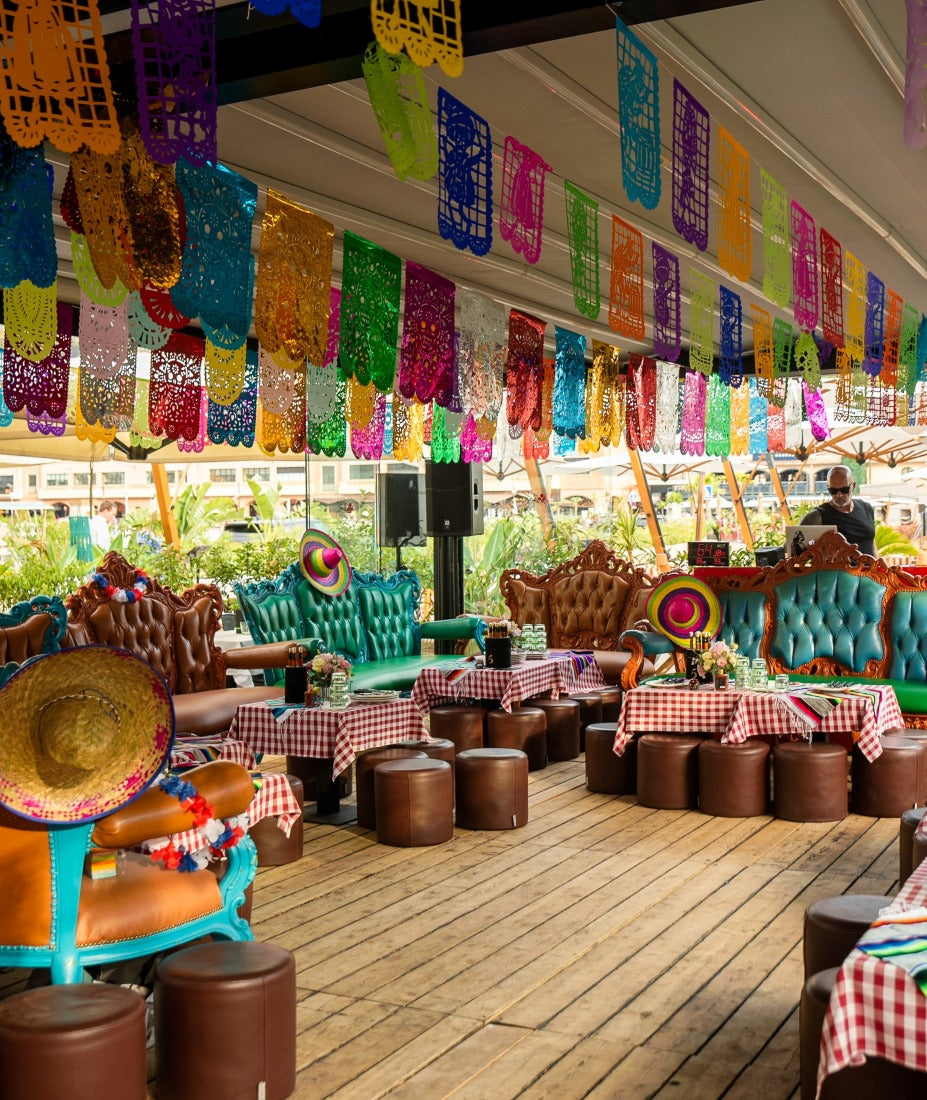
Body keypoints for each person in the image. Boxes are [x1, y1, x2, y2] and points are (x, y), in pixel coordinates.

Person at [801, 465, 875, 556]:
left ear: (853, 486)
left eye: (844, 490)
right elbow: (796, 549)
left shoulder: (866, 508)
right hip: (838, 570)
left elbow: (871, 543)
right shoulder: (818, 516)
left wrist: (879, 566)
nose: (839, 495)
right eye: (833, 491)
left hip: (870, 568)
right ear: (828, 488)